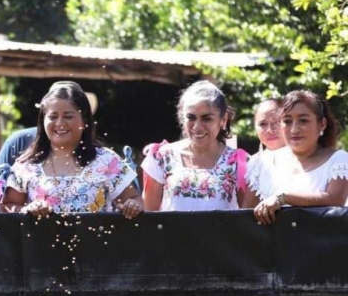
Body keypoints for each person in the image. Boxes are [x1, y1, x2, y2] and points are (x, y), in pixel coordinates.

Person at [0, 81, 143, 218]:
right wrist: (27, 210)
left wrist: (132, 206)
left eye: (68, 116)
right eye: (53, 117)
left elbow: (134, 199)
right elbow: (8, 205)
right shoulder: (27, 164)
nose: (60, 123)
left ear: (85, 120)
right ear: (43, 120)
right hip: (40, 243)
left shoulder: (106, 160)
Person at [141, 80, 248, 211]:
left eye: (207, 118)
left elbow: (246, 220)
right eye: (191, 117)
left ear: (223, 120)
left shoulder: (238, 163)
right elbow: (149, 215)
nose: (197, 127)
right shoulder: (161, 158)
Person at [244, 90, 348, 224]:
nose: (294, 129)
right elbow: (245, 218)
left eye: (303, 120)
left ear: (322, 124)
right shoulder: (262, 163)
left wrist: (283, 198)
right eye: (287, 121)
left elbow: (334, 200)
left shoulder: (338, 161)